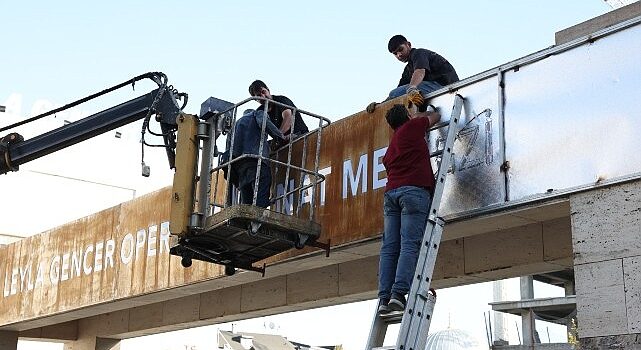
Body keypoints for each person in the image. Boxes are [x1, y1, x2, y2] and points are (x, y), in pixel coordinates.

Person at [377, 104, 441, 314]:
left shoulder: (393, 144)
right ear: (407, 116)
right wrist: (418, 114)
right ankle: (399, 293)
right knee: (410, 244)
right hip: (413, 192)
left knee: (389, 248)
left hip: (391, 194)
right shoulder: (413, 127)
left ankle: (384, 298)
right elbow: (436, 116)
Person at [366, 35, 459, 113]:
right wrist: (381, 105)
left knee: (402, 92)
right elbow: (397, 93)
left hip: (447, 88)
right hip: (435, 89)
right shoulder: (408, 69)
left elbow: (420, 71)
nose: (399, 55)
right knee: (398, 95)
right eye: (395, 53)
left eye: (400, 49)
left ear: (408, 45)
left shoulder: (418, 53)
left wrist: (412, 89)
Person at [227, 108, 287, 208]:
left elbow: (228, 149)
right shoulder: (256, 114)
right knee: (261, 192)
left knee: (247, 201)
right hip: (256, 160)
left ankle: (248, 222)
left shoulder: (233, 127)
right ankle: (259, 219)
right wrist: (281, 136)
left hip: (239, 166)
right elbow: (265, 124)